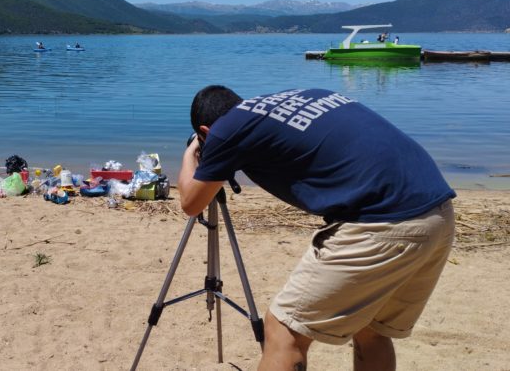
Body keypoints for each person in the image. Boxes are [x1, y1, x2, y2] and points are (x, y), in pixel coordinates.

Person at [178, 86, 455, 371]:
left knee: (284, 332)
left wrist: (192, 152)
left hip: (383, 223)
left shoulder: (224, 130)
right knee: (370, 329)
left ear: (205, 130)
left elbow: (191, 203)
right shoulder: (297, 97)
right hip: (437, 213)